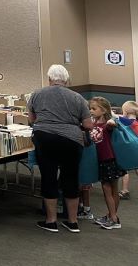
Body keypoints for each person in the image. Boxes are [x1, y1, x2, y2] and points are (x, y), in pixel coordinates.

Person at [29, 65, 93, 233]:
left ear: (49, 79)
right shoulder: (78, 98)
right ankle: (72, 222)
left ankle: (51, 221)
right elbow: (88, 125)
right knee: (71, 177)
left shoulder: (36, 94)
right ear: (66, 80)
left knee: (48, 176)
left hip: (45, 138)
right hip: (72, 140)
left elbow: (31, 119)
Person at [88, 97, 125, 230]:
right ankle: (111, 215)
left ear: (103, 110)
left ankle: (114, 219)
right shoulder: (94, 123)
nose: (91, 111)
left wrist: (112, 120)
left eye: (94, 108)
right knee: (111, 189)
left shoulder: (107, 125)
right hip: (102, 159)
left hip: (108, 160)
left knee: (108, 189)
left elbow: (113, 123)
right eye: (90, 108)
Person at [117, 101, 138, 200]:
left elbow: (115, 117)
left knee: (125, 170)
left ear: (125, 111)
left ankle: (125, 190)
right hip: (136, 149)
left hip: (129, 149)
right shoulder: (136, 122)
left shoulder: (125, 121)